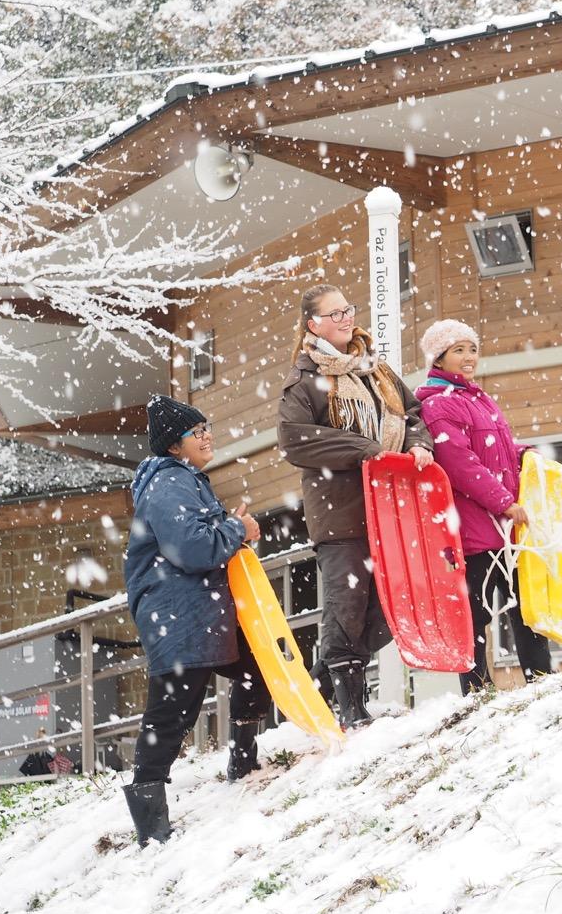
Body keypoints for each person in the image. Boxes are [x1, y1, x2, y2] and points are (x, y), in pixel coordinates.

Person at [278, 284, 434, 728]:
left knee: (392, 602)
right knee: (348, 603)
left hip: (390, 510)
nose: (347, 318)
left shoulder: (376, 369)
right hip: (341, 512)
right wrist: (364, 450)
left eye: (348, 309)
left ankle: (325, 680)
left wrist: (419, 444)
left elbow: (413, 412)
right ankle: (350, 705)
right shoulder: (305, 379)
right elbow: (294, 439)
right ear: (313, 325)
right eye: (335, 313)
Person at [121, 394, 270, 846]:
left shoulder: (184, 480)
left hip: (200, 609)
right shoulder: (168, 483)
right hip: (178, 612)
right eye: (196, 432)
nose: (207, 436)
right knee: (172, 711)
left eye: (207, 427)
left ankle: (243, 760)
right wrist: (235, 530)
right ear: (173, 445)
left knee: (254, 670)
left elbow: (201, 540)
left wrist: (232, 531)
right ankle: (150, 823)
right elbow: (191, 548)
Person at [414, 319, 552, 695]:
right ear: (439, 358)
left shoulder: (479, 400)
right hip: (473, 527)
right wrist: (504, 502)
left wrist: (528, 456)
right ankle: (476, 689)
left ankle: (541, 677)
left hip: (500, 527)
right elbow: (461, 465)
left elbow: (497, 455)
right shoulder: (440, 406)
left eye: (472, 348)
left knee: (523, 605)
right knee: (474, 614)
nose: (468, 357)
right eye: (458, 350)